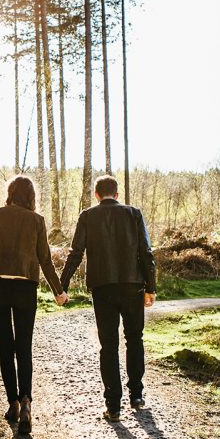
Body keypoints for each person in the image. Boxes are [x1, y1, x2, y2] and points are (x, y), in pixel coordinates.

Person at [61, 175, 157, 422]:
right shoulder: (134, 214)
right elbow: (146, 252)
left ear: (96, 194)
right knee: (135, 338)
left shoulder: (87, 216)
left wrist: (62, 284)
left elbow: (76, 253)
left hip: (102, 287)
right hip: (133, 284)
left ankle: (113, 405)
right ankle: (136, 394)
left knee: (109, 345)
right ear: (116, 194)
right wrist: (151, 287)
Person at [0, 175, 68, 434]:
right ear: (31, 196)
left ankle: (13, 403)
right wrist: (58, 291)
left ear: (10, 193)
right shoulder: (37, 221)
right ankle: (27, 400)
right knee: (24, 347)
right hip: (25, 289)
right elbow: (45, 260)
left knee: (5, 347)